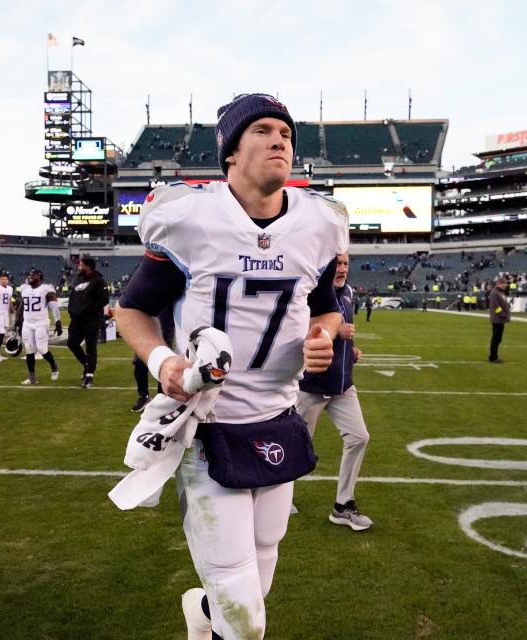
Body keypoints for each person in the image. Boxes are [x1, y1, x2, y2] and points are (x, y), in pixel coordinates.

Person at [115, 93, 348, 640]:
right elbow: (131, 308)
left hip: (277, 418)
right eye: (263, 131)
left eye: (286, 134)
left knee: (261, 565)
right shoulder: (192, 219)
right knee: (244, 615)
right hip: (208, 425)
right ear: (230, 152)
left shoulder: (317, 224)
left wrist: (322, 338)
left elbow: (327, 311)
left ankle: (203, 615)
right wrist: (163, 360)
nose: (279, 141)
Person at [295, 253, 372, 531]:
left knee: (359, 437)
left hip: (342, 386)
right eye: (337, 264)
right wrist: (336, 330)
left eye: (345, 264)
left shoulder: (349, 292)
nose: (341, 269)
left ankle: (343, 505)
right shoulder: (311, 292)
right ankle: (278, 499)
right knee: (297, 448)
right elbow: (293, 331)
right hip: (310, 387)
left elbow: (344, 338)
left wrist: (350, 351)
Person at [67, 256, 110, 389]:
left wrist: (89, 310)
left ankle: (89, 376)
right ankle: (87, 364)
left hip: (91, 319)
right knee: (72, 343)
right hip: (76, 319)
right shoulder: (78, 279)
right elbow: (73, 297)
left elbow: (104, 299)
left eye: (81, 264)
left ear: (88, 266)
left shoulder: (99, 280)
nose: (79, 266)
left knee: (91, 347)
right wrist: (72, 310)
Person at [15, 269, 61, 385]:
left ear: (39, 277)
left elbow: (54, 306)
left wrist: (58, 322)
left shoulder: (46, 289)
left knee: (42, 349)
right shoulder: (24, 288)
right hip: (27, 323)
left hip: (41, 322)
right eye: (29, 275)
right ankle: (32, 378)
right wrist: (17, 320)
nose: (30, 277)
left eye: (33, 275)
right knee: (29, 350)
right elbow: (22, 305)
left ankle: (54, 366)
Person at [130, 304, 174, 412]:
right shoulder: (146, 290)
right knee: (139, 363)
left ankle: (162, 397)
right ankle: (144, 397)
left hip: (164, 329)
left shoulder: (170, 290)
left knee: (163, 364)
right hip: (144, 331)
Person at [488, 277, 510, 364]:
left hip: (500, 319)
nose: (505, 286)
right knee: (496, 338)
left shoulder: (500, 293)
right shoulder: (495, 293)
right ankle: (493, 357)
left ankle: (494, 356)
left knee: (498, 338)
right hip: (498, 319)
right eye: (504, 284)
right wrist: (503, 315)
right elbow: (496, 307)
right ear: (499, 284)